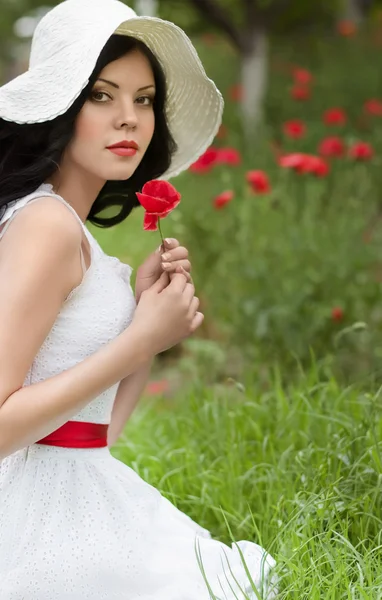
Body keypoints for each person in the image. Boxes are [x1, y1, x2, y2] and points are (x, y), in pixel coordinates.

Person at [0, 1, 276, 598]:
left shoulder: (68, 231)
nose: (129, 118)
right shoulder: (46, 226)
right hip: (26, 524)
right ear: (60, 108)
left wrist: (144, 318)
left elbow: (95, 437)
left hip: (75, 491)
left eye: (144, 98)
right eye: (102, 95)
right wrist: (140, 338)